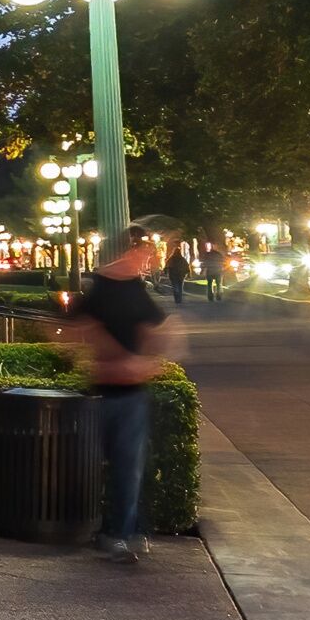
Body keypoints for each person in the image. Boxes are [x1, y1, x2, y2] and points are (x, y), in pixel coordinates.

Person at [64, 225, 185, 560]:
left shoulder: (133, 287)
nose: (148, 258)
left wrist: (148, 359)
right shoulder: (104, 287)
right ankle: (117, 530)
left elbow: (158, 329)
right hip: (107, 390)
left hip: (128, 391)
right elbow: (75, 328)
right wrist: (119, 358)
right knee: (118, 464)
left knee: (128, 465)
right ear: (127, 251)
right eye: (144, 252)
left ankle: (124, 530)